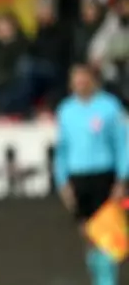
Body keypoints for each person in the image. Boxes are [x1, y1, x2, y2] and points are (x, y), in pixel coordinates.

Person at [54, 64, 128, 285]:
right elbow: (62, 149)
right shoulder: (66, 111)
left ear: (92, 80)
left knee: (107, 232)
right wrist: (62, 181)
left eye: (83, 79)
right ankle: (98, 278)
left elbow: (122, 144)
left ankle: (107, 280)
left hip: (104, 176)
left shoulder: (109, 107)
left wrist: (121, 179)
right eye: (76, 80)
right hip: (78, 178)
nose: (80, 84)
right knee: (88, 234)